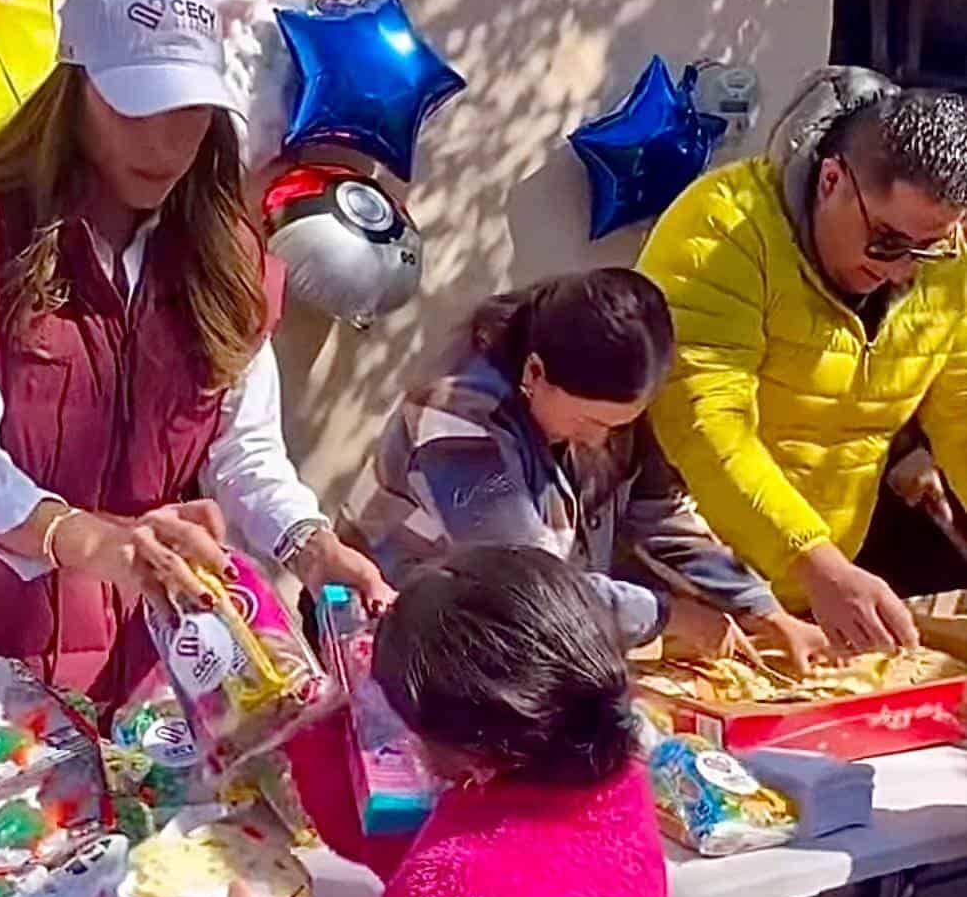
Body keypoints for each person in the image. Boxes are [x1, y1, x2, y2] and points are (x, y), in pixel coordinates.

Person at [0, 0, 390, 711]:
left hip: (157, 638)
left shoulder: (227, 256)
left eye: (191, 111)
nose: (167, 143)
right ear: (74, 93)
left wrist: (311, 548)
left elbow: (243, 449)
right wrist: (88, 539)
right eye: (138, 107)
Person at [195, 544, 670, 897]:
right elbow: (408, 843)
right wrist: (330, 723)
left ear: (464, 748)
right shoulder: (609, 786)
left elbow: (458, 891)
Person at [336, 269, 826, 665]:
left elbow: (661, 516)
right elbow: (525, 582)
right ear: (534, 373)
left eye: (620, 425)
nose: (600, 440)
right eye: (590, 420)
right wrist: (666, 615)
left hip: (511, 630)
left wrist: (761, 607)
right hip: (398, 629)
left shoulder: (612, 394)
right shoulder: (458, 417)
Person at [638, 67, 967, 655]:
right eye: (888, 242)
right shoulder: (720, 232)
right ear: (832, 179)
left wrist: (823, 572)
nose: (903, 270)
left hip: (828, 585)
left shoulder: (948, 264)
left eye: (929, 248)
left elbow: (962, 412)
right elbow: (706, 424)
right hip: (685, 587)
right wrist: (813, 561)